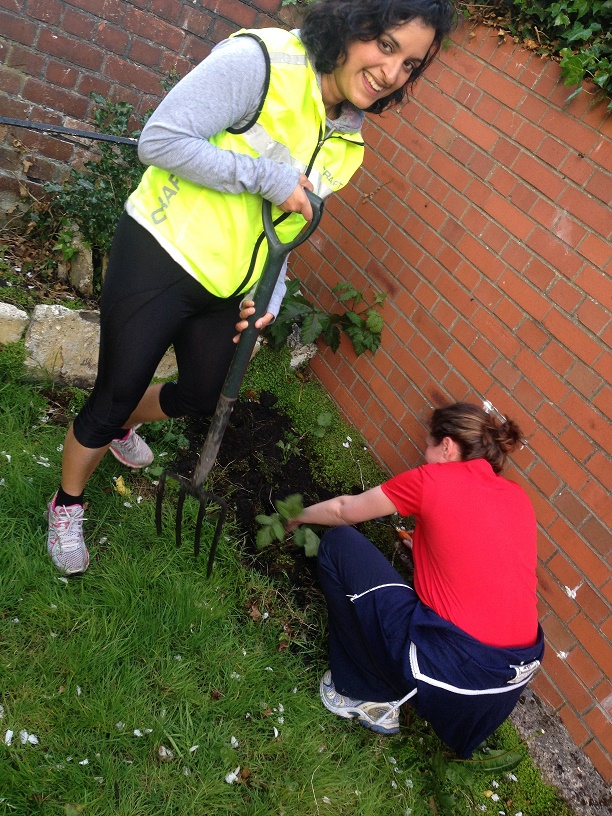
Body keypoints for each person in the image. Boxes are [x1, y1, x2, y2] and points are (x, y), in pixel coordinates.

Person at [46, 0, 456, 575]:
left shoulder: (347, 141)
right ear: (349, 26)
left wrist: (271, 299)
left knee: (200, 393)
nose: (391, 74)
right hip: (163, 252)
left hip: (230, 286)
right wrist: (268, 177)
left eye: (409, 64)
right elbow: (159, 140)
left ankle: (122, 428)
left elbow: (287, 230)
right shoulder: (260, 62)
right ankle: (67, 501)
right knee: (115, 389)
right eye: (385, 46)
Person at [287, 402, 544, 757]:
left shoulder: (433, 480)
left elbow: (343, 510)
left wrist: (296, 517)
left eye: (427, 445)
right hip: (499, 691)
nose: (423, 455)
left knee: (339, 545)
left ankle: (360, 691)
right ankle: (405, 685)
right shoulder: (518, 498)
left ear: (447, 446)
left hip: (450, 673)